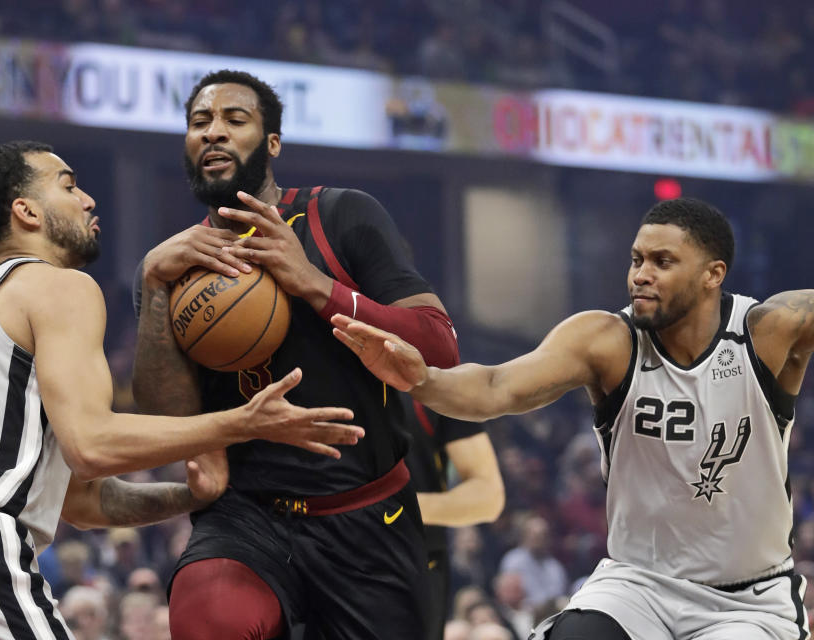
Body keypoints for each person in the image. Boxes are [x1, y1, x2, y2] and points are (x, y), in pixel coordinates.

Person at [0, 140, 363, 639]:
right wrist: (240, 423)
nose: (88, 199)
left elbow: (82, 502)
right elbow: (92, 445)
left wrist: (191, 496)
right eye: (68, 186)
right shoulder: (60, 285)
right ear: (27, 212)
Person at [333, 197, 811, 640]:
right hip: (638, 586)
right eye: (636, 259)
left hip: (746, 599)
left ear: (713, 274)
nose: (640, 274)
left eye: (662, 262)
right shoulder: (606, 340)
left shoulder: (767, 333)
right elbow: (496, 387)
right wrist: (424, 381)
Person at [132, 69, 461, 639]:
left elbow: (439, 347)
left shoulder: (339, 216)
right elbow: (167, 415)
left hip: (366, 514)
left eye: (235, 121)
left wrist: (316, 284)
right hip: (247, 515)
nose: (214, 133)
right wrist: (154, 284)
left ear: (272, 143)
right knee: (209, 617)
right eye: (199, 123)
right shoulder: (172, 267)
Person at [398, 394, 505, 640]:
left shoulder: (433, 386)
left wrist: (388, 509)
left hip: (417, 565)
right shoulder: (309, 373)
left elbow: (489, 496)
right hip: (324, 555)